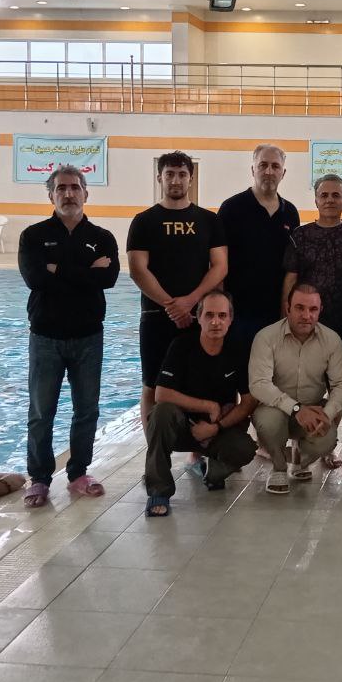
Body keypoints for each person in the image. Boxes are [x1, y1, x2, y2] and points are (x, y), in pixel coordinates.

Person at [18, 164, 120, 507]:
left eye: (74, 187)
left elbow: (108, 279)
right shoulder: (33, 236)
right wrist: (86, 273)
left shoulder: (102, 237)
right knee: (41, 411)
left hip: (88, 336)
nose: (68, 193)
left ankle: (78, 473)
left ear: (85, 193)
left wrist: (56, 270)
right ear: (51, 195)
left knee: (86, 410)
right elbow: (35, 279)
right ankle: (39, 478)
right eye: (61, 188)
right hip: (45, 336)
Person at [128, 151, 227, 431]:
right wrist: (171, 305)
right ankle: (154, 450)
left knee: (201, 381)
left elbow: (220, 266)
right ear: (159, 177)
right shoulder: (144, 221)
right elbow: (138, 270)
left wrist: (191, 302)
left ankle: (198, 449)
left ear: (190, 178)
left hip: (198, 316)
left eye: (182, 174)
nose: (175, 180)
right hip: (156, 316)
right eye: (169, 174)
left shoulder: (208, 220)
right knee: (151, 384)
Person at [145, 291, 258, 514]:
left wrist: (216, 427)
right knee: (161, 413)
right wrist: (208, 406)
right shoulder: (181, 346)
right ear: (199, 318)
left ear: (230, 319)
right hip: (182, 428)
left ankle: (214, 471)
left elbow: (248, 402)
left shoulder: (238, 350)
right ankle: (159, 491)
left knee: (245, 449)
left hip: (217, 430)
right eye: (209, 315)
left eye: (222, 315)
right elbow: (161, 394)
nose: (216, 322)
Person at [249, 283, 342, 494]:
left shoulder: (332, 340)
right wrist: (296, 409)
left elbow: (341, 384)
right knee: (268, 422)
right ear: (288, 308)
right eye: (299, 308)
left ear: (320, 310)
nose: (306, 315)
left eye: (313, 309)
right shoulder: (266, 337)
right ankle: (278, 467)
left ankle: (300, 459)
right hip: (276, 409)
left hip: (314, 408)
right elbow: (259, 384)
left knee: (326, 438)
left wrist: (327, 414)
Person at [218, 144, 301, 349]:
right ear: (253, 169)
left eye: (275, 166)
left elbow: (292, 267)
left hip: (275, 311)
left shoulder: (290, 212)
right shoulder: (232, 208)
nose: (269, 171)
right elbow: (217, 261)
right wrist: (221, 306)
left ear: (283, 173)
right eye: (263, 165)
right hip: (238, 312)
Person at [282, 173, 342, 356]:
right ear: (316, 201)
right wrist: (285, 317)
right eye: (324, 195)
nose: (330, 200)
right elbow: (290, 279)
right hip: (305, 319)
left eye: (336, 195)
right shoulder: (300, 235)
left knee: (340, 371)